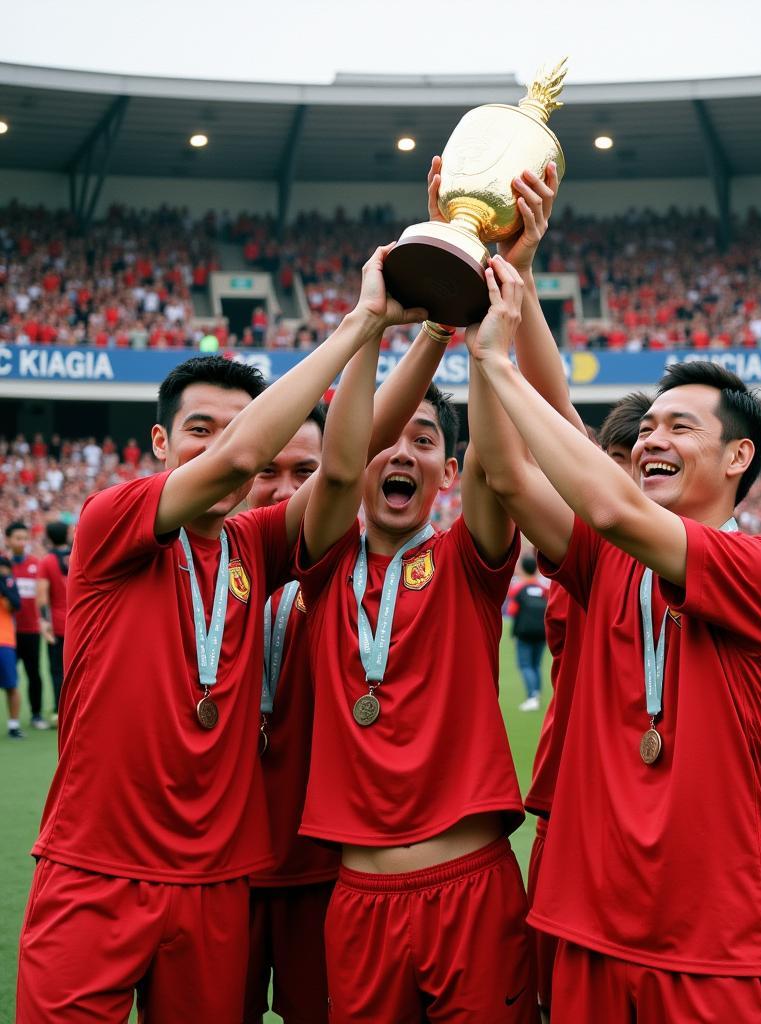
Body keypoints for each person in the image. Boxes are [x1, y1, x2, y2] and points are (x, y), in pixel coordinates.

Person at [16, 245, 427, 1024]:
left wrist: (427, 334)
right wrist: (359, 321)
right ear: (161, 445)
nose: (222, 446)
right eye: (197, 429)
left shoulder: (255, 547)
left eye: (237, 427)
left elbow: (346, 467)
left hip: (213, 882)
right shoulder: (114, 521)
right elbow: (244, 454)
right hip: (94, 869)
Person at [468, 336, 761, 1020]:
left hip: (712, 942)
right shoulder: (607, 558)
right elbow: (505, 470)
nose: (652, 438)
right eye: (646, 427)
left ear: (740, 457)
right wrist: (490, 334)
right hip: (588, 925)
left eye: (680, 427)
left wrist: (502, 360)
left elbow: (614, 506)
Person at [243, 322, 455, 1024]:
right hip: (218, 868)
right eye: (267, 470)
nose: (283, 489)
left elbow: (348, 464)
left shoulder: (332, 564)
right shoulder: (188, 567)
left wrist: (430, 331)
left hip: (322, 870)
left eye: (303, 473)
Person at [525, 390, 651, 1020]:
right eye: (615, 457)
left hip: (662, 835)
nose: (627, 474)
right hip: (567, 814)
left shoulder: (716, 566)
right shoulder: (587, 556)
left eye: (641, 460)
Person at [5, 523, 53, 730]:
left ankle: (35, 714)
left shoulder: (37, 564)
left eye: (24, 538)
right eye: (17, 538)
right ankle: (12, 720)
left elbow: (44, 596)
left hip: (31, 631)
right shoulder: (3, 566)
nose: (21, 542)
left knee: (34, 674)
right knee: (8, 677)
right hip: (8, 632)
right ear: (7, 540)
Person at [507, 553, 549, 711]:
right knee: (536, 664)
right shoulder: (543, 588)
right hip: (542, 631)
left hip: (524, 633)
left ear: (523, 568)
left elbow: (512, 611)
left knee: (525, 664)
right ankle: (536, 693)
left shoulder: (518, 589)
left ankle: (532, 697)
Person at [39, 521, 71, 717]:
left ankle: (61, 712)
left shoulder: (47, 561)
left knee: (57, 671)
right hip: (82, 624)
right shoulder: (78, 554)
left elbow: (42, 596)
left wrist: (44, 621)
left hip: (58, 626)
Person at [0, 555, 23, 738]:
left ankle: (14, 725)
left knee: (11, 685)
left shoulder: (8, 584)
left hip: (4, 641)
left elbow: (15, 605)